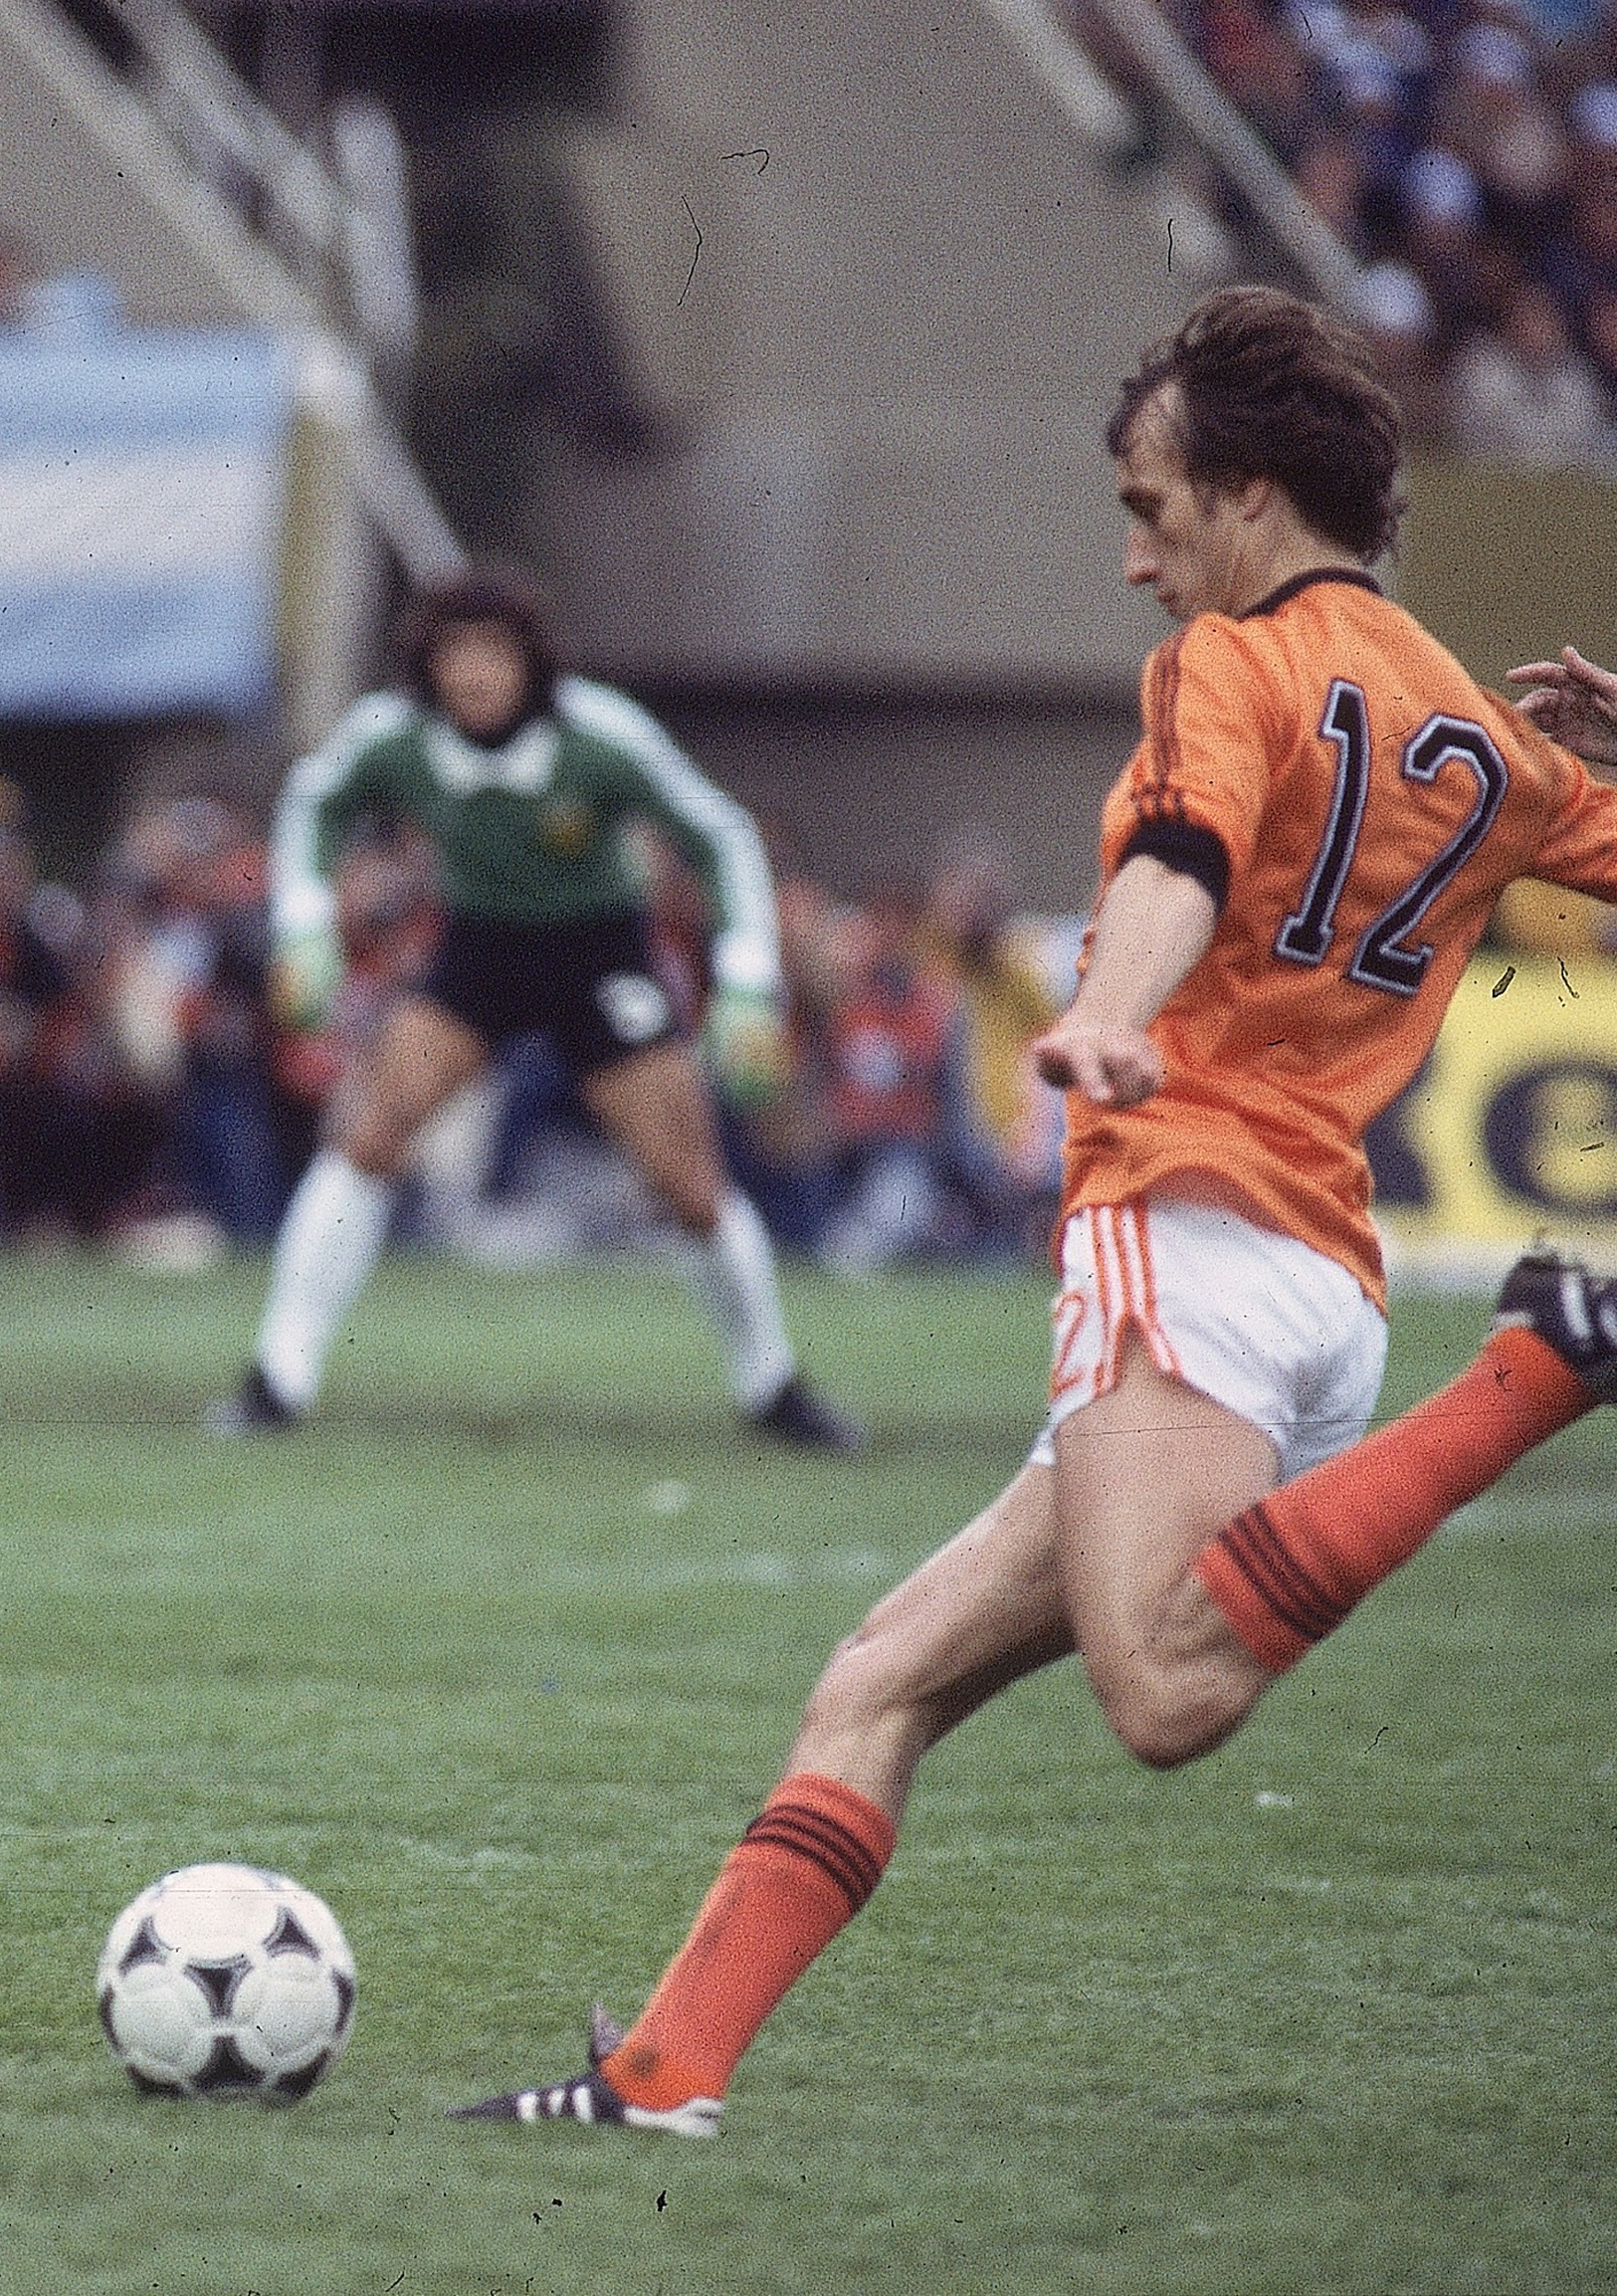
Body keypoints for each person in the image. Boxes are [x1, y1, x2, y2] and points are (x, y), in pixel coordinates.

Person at [454, 286, 1617, 2140]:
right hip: (1308, 1278)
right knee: (879, 1679)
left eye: (1151, 509)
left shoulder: (1231, 666)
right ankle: (660, 2079)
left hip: (1187, 1223)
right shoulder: (1478, 729)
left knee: (1160, 1686)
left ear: (1247, 497)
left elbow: (1180, 849)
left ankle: (1538, 1373)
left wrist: (1104, 1010)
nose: (1136, 559)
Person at [208, 568, 861, 1450]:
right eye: (453, 654)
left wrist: (745, 981)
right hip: (477, 948)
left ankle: (771, 1383)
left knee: (689, 1185)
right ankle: (276, 1377)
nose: (473, 673)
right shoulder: (392, 737)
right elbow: (313, 801)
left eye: (493, 652)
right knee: (368, 1133)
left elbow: (717, 832)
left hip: (598, 955)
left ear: (531, 663)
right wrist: (302, 929)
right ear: (426, 666)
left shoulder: (598, 735)